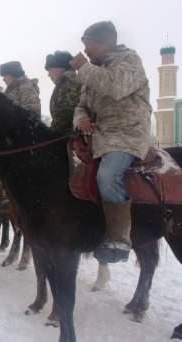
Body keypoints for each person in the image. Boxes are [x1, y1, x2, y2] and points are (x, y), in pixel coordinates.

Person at [71, 21, 151, 263]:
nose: (85, 50)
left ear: (104, 43)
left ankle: (119, 240)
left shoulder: (129, 61)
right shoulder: (93, 69)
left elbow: (115, 87)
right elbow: (80, 105)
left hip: (126, 134)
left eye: (88, 45)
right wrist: (82, 119)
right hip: (99, 136)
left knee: (107, 176)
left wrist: (84, 68)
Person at [45, 51, 81, 133]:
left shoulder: (68, 80)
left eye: (50, 69)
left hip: (70, 135)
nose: (49, 74)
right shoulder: (66, 81)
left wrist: (51, 134)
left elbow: (65, 112)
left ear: (61, 67)